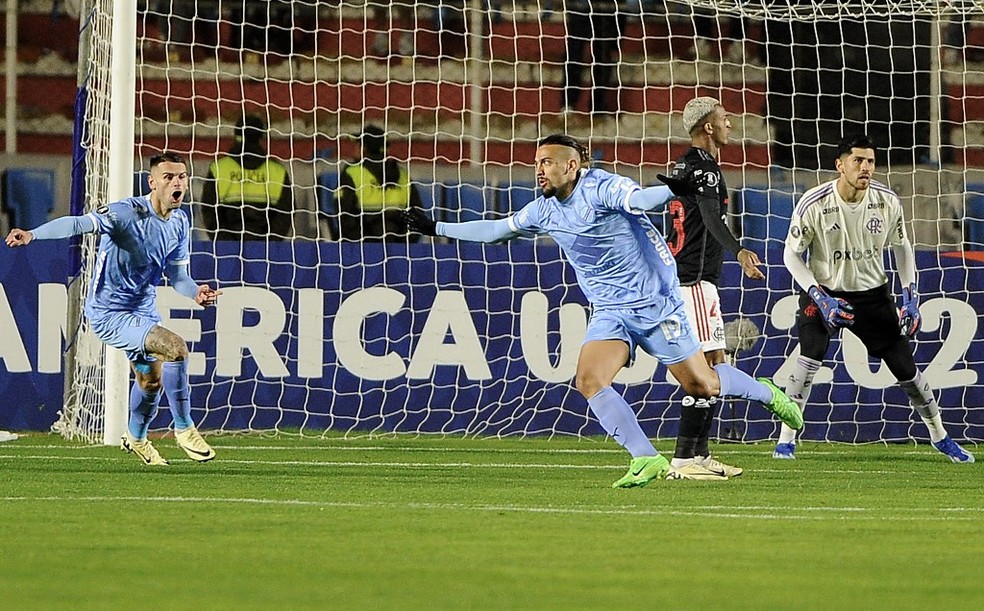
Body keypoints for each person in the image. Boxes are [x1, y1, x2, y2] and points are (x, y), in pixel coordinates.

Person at [404, 134, 804, 488]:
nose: (538, 169)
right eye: (537, 162)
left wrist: (671, 190)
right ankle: (646, 458)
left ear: (572, 165)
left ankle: (765, 391)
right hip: (610, 310)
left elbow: (638, 199)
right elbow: (496, 231)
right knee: (590, 379)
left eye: (547, 162)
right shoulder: (543, 210)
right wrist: (436, 227)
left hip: (655, 304)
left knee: (704, 385)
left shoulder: (601, 188)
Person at [5, 152, 221, 466]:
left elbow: (178, 277)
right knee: (175, 348)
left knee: (150, 383)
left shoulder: (181, 222)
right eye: (169, 177)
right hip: (108, 312)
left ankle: (136, 438)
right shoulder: (125, 213)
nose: (178, 183)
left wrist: (196, 292)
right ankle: (184, 428)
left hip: (143, 310)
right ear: (152, 182)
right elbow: (79, 223)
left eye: (182, 177)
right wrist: (33, 234)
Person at [772, 134, 974, 464]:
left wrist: (910, 296)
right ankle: (786, 440)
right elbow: (791, 256)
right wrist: (819, 297)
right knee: (808, 359)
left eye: (870, 161)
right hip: (825, 293)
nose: (866, 167)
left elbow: (902, 247)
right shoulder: (814, 202)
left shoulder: (887, 200)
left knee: (907, 371)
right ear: (840, 165)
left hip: (872, 296)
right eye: (858, 161)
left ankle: (940, 436)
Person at [655, 97, 766, 480]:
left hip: (691, 279)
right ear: (708, 127)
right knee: (708, 371)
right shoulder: (705, 170)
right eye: (723, 119)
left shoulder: (687, 165)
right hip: (693, 281)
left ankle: (699, 455)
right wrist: (738, 250)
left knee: (713, 368)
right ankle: (686, 458)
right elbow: (708, 217)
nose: (730, 125)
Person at [201, 115, 293, 241]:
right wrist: (269, 243)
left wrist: (225, 243)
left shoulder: (219, 168)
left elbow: (209, 211)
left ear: (236, 134)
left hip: (226, 248)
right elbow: (286, 213)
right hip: (266, 249)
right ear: (261, 136)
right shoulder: (277, 171)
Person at [335, 125, 424, 242]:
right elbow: (417, 215)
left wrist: (362, 244)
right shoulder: (403, 175)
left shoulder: (352, 173)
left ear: (364, 148)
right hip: (399, 250)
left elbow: (343, 214)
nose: (355, 148)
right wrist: (404, 245)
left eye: (358, 144)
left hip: (361, 249)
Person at [561, 1, 625, 117]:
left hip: (606, 7)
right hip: (582, 6)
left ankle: (597, 106)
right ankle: (568, 103)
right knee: (576, 51)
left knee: (603, 53)